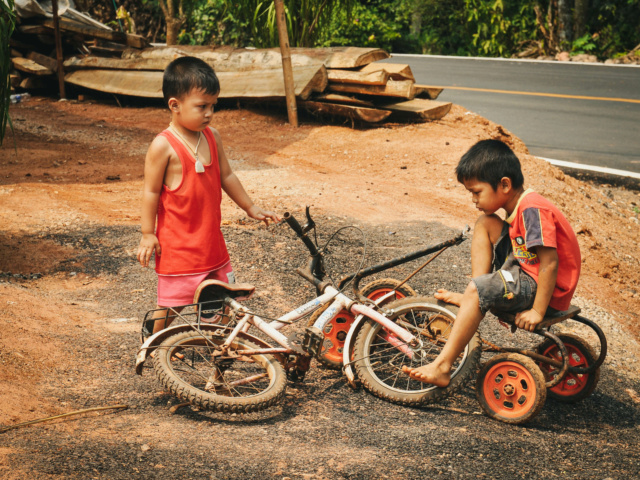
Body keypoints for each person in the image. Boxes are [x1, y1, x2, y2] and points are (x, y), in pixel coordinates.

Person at [403, 139, 581, 387]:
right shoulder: (520, 205)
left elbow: (550, 263)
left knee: (479, 290)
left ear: (504, 184)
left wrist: (538, 311)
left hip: (542, 287)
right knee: (485, 222)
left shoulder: (532, 210)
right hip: (527, 269)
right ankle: (476, 290)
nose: (473, 199)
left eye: (477, 192)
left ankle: (442, 367)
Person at [137, 56, 279, 334]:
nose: (209, 113)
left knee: (223, 299)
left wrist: (250, 207)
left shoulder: (212, 136)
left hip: (211, 243)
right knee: (173, 305)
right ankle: (151, 341)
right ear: (175, 106)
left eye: (213, 106)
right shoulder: (163, 146)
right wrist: (147, 233)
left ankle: (215, 347)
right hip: (179, 248)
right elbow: (150, 191)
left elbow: (226, 175)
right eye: (201, 106)